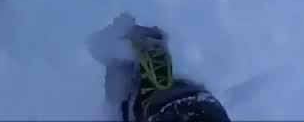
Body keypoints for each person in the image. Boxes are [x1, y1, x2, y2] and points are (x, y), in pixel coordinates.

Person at [88, 14, 232, 122]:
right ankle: (123, 54)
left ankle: (129, 53)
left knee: (120, 104)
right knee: (117, 109)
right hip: (166, 108)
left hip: (200, 103)